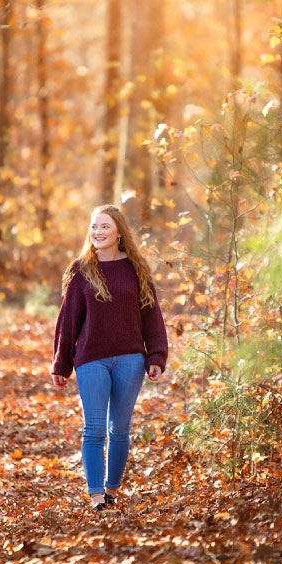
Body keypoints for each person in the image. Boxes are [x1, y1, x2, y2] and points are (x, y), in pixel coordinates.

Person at [51, 204, 169, 511]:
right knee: (94, 429)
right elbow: (68, 319)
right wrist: (61, 363)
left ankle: (112, 487)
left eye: (104, 226)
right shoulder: (81, 270)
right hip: (91, 359)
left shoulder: (136, 268)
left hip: (131, 359)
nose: (97, 232)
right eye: (93, 227)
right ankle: (96, 496)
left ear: (118, 231)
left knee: (120, 429)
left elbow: (151, 315)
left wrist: (156, 355)